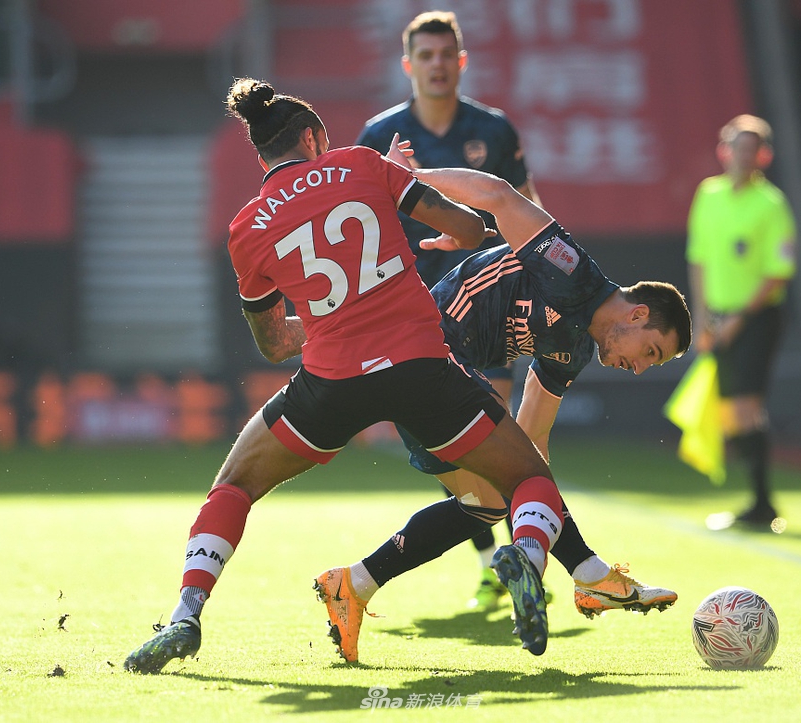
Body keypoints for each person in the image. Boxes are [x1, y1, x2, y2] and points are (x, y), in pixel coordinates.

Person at [123, 78, 567, 673]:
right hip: (421, 367)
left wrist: (331, 318)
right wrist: (437, 227)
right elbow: (467, 229)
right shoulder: (361, 165)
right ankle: (528, 558)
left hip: (330, 382)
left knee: (233, 486)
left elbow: (276, 343)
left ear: (261, 157)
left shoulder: (247, 227)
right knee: (528, 478)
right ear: (312, 138)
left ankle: (185, 614)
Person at [314, 137, 692, 663]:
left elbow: (531, 444)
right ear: (635, 314)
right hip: (424, 348)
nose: (641, 367)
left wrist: (536, 511)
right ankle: (584, 573)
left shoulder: (578, 344)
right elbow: (496, 193)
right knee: (503, 490)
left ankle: (352, 584)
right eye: (650, 351)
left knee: (491, 499)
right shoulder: (571, 268)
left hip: (433, 371)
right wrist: (403, 179)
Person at [356, 9, 542, 609]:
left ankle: (521, 560)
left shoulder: (495, 129)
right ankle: (496, 554)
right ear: (408, 65)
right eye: (425, 56)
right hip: (417, 320)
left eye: (446, 55)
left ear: (461, 62)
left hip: (492, 304)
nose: (437, 65)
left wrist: (541, 271)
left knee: (510, 437)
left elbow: (525, 204)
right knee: (452, 449)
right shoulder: (379, 135)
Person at [686, 114, 796, 531]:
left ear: (762, 156)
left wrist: (738, 318)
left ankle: (763, 503)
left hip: (757, 317)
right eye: (737, 147)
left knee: (748, 407)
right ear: (723, 151)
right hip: (718, 315)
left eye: (752, 149)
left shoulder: (771, 204)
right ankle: (757, 500)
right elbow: (698, 259)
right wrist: (703, 316)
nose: (743, 156)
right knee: (732, 410)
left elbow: (778, 271)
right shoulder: (708, 194)